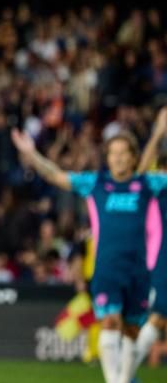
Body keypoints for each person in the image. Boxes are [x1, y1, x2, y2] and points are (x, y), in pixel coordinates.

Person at [11, 128, 167, 383]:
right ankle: (113, 380)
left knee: (131, 330)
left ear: (133, 157)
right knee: (110, 321)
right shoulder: (95, 183)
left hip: (139, 270)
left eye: (122, 153)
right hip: (107, 268)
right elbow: (57, 176)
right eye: (112, 153)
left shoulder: (148, 184)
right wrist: (31, 154)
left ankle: (123, 379)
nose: (117, 158)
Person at [130, 107, 167, 377]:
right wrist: (158, 134)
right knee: (157, 318)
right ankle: (123, 373)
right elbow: (138, 177)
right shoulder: (158, 187)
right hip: (161, 262)